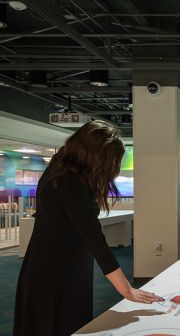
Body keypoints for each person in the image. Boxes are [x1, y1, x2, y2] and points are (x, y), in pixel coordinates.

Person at [14, 121, 164, 336]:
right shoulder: (69, 182)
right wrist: (126, 290)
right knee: (57, 324)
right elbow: (94, 239)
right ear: (97, 155)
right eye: (111, 160)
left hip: (59, 266)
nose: (113, 168)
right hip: (56, 274)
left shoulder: (59, 171)